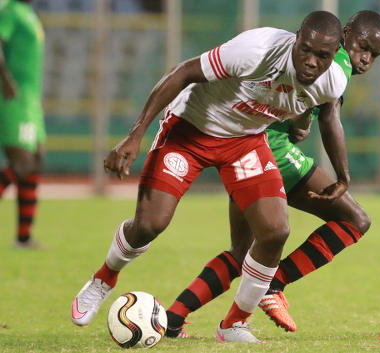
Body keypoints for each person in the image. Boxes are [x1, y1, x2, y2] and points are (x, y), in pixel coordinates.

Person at [71, 11, 349, 343]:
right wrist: (135, 134)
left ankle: (233, 325)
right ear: (296, 38)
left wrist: (341, 174)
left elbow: (328, 115)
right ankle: (104, 278)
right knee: (150, 224)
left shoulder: (333, 80)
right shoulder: (256, 50)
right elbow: (184, 72)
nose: (311, 62)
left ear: (334, 55)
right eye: (306, 49)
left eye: (323, 56)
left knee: (275, 231)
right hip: (191, 130)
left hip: (245, 142)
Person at [164, 10, 380, 337]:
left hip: (243, 145)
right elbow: (331, 117)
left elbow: (300, 102)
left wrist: (300, 120)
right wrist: (343, 176)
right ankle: (272, 285)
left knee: (242, 252)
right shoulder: (335, 60)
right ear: (347, 32)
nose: (365, 58)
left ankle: (172, 319)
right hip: (269, 149)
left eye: (374, 55)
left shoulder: (317, 56)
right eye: (363, 47)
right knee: (355, 220)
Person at [0, 0, 45, 248]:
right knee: (23, 162)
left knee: (36, 158)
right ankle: (23, 237)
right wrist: (6, 80)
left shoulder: (27, 12)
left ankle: (23, 237)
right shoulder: (8, 10)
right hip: (12, 98)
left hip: (29, 99)